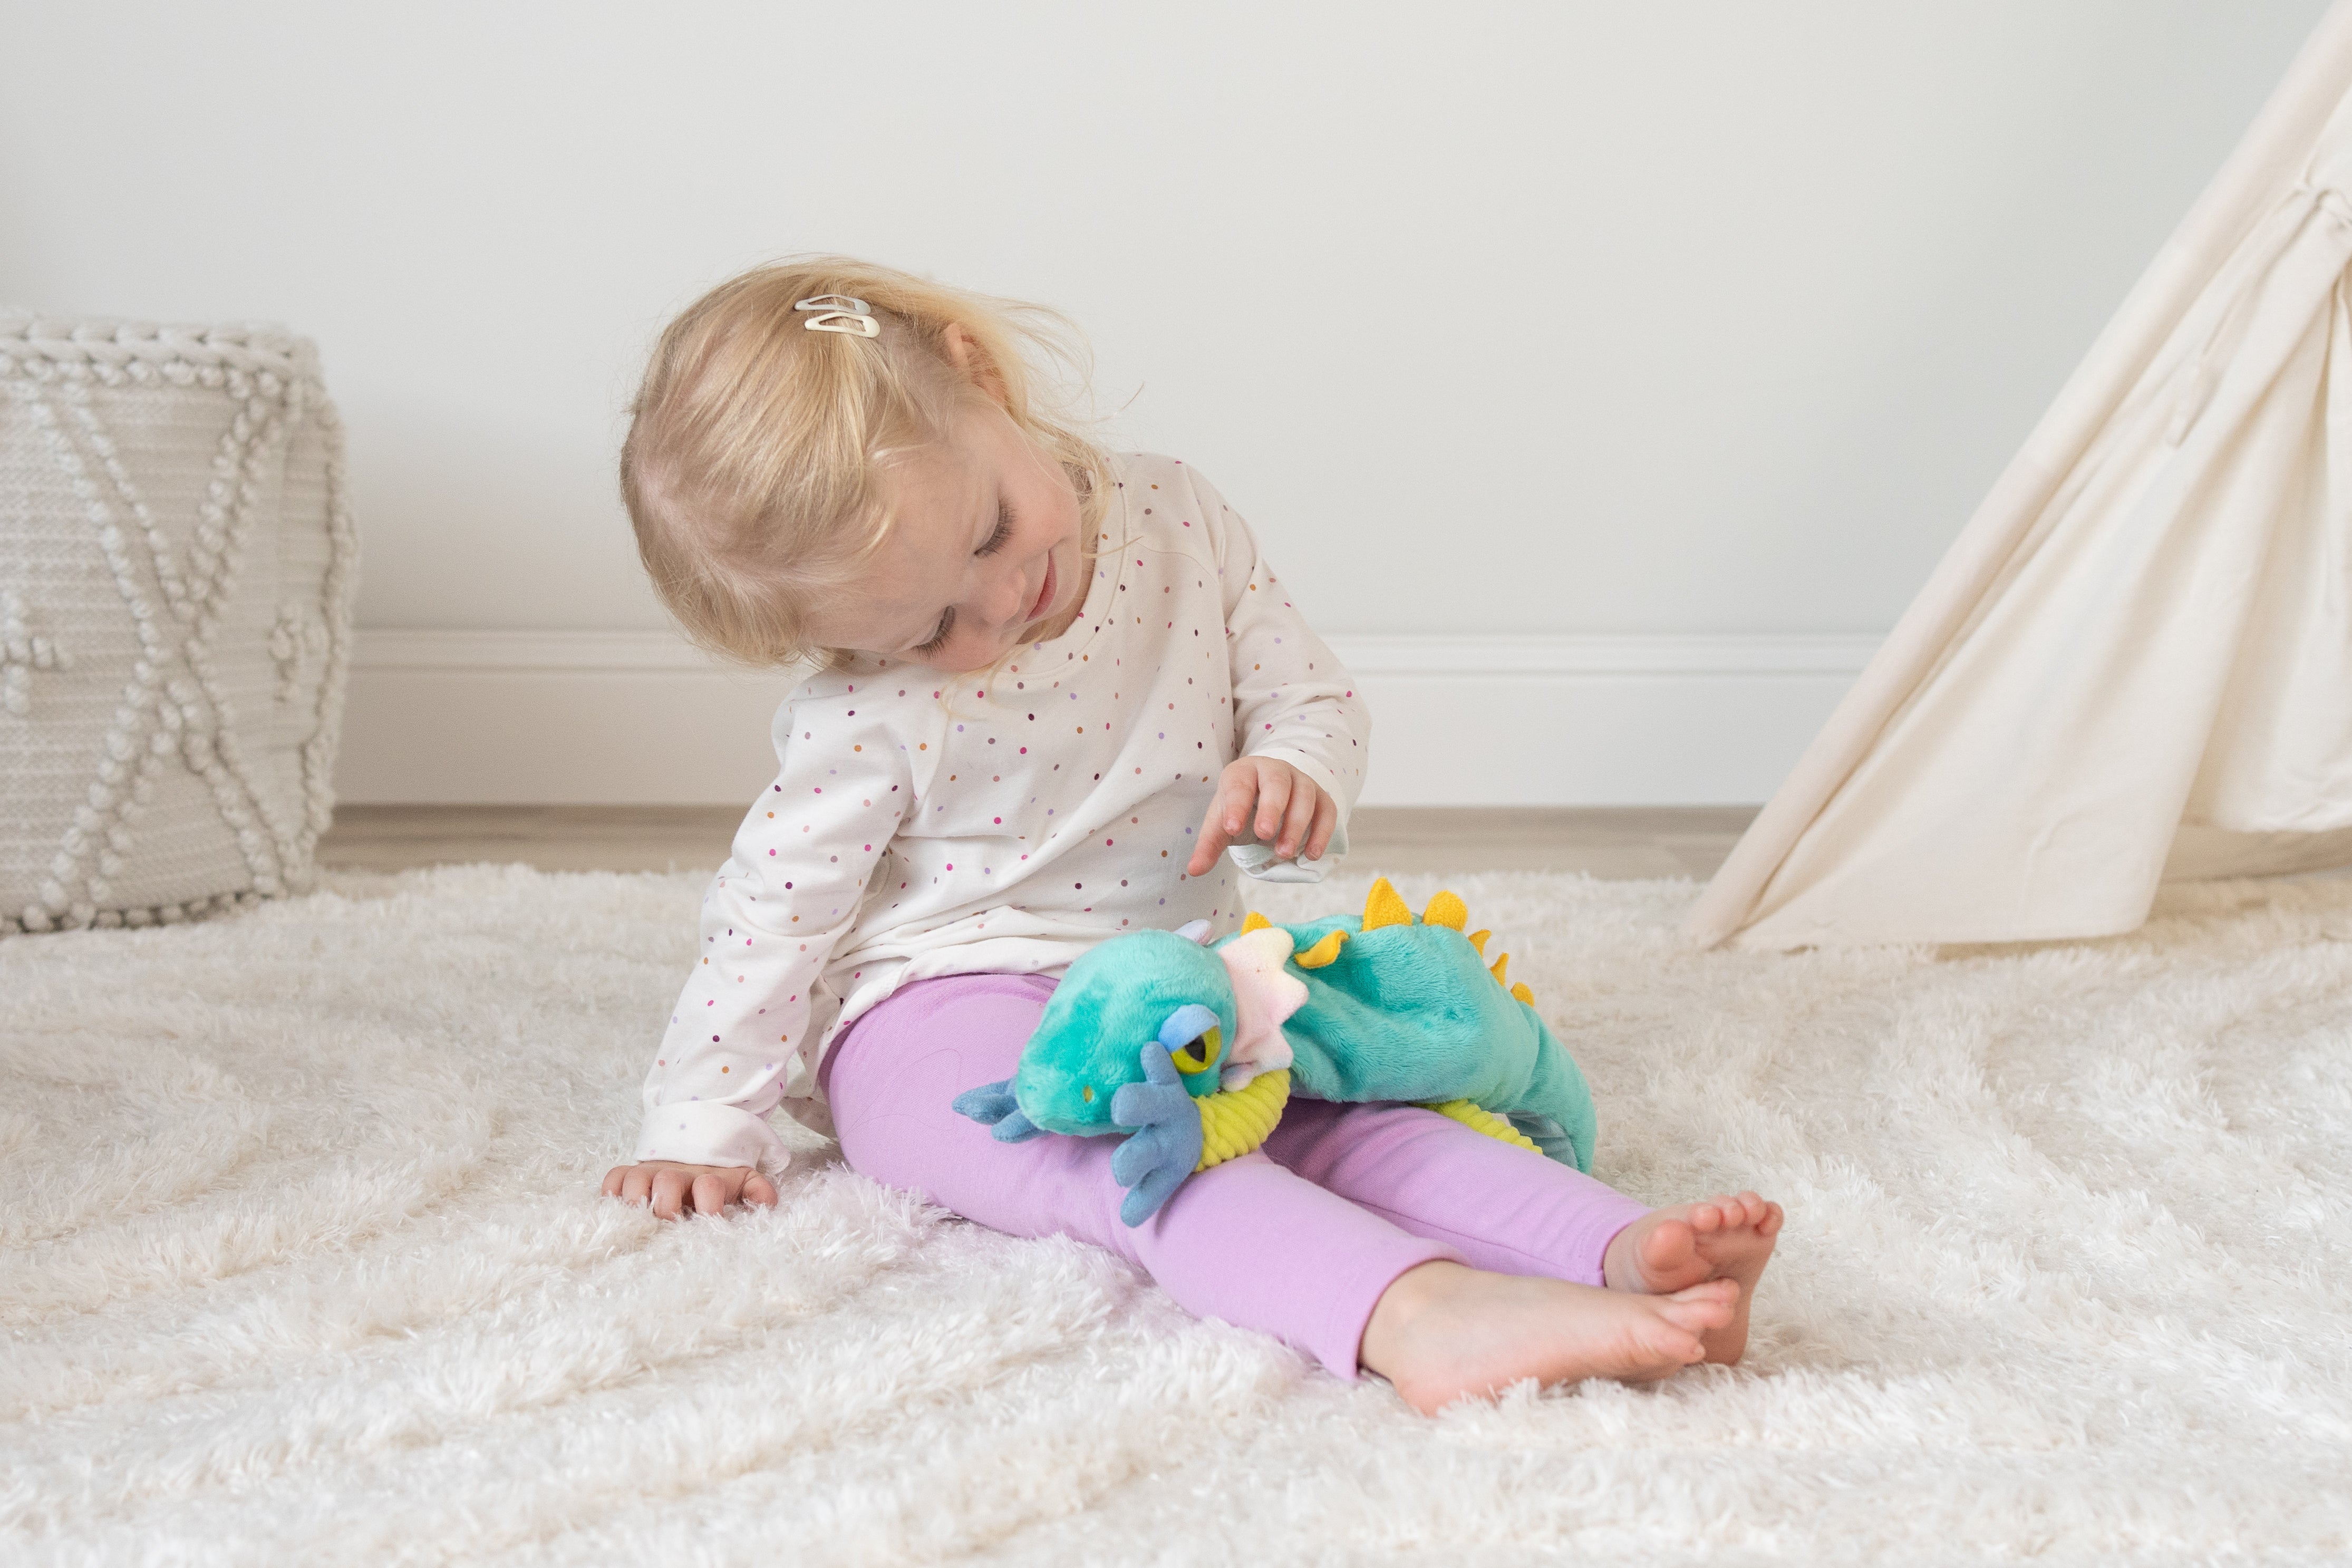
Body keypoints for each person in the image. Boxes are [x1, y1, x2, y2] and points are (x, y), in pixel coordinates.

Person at [598, 258, 1782, 1413]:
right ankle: (1419, 1315)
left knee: (1341, 1113)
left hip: (1175, 980)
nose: (998, 607)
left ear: (981, 380)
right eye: (922, 631)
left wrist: (1290, 765)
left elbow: (1306, 698)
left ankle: (1615, 1249)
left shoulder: (1176, 519)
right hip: (931, 1013)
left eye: (990, 536)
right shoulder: (861, 717)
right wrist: (702, 1119)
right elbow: (771, 914)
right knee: (1133, 1161)